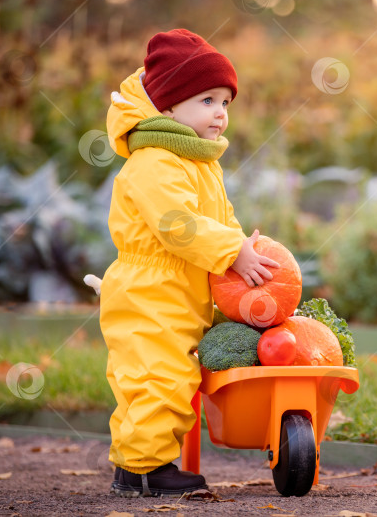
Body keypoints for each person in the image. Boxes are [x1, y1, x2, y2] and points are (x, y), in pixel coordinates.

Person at [100, 28, 280, 497]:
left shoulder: (198, 162)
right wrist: (229, 249)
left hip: (180, 291)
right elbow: (178, 224)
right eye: (206, 100)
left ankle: (143, 464)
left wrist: (240, 246)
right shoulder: (155, 160)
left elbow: (217, 218)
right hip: (149, 291)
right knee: (155, 376)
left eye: (225, 102)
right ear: (167, 106)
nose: (220, 113)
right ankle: (142, 467)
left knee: (176, 377)